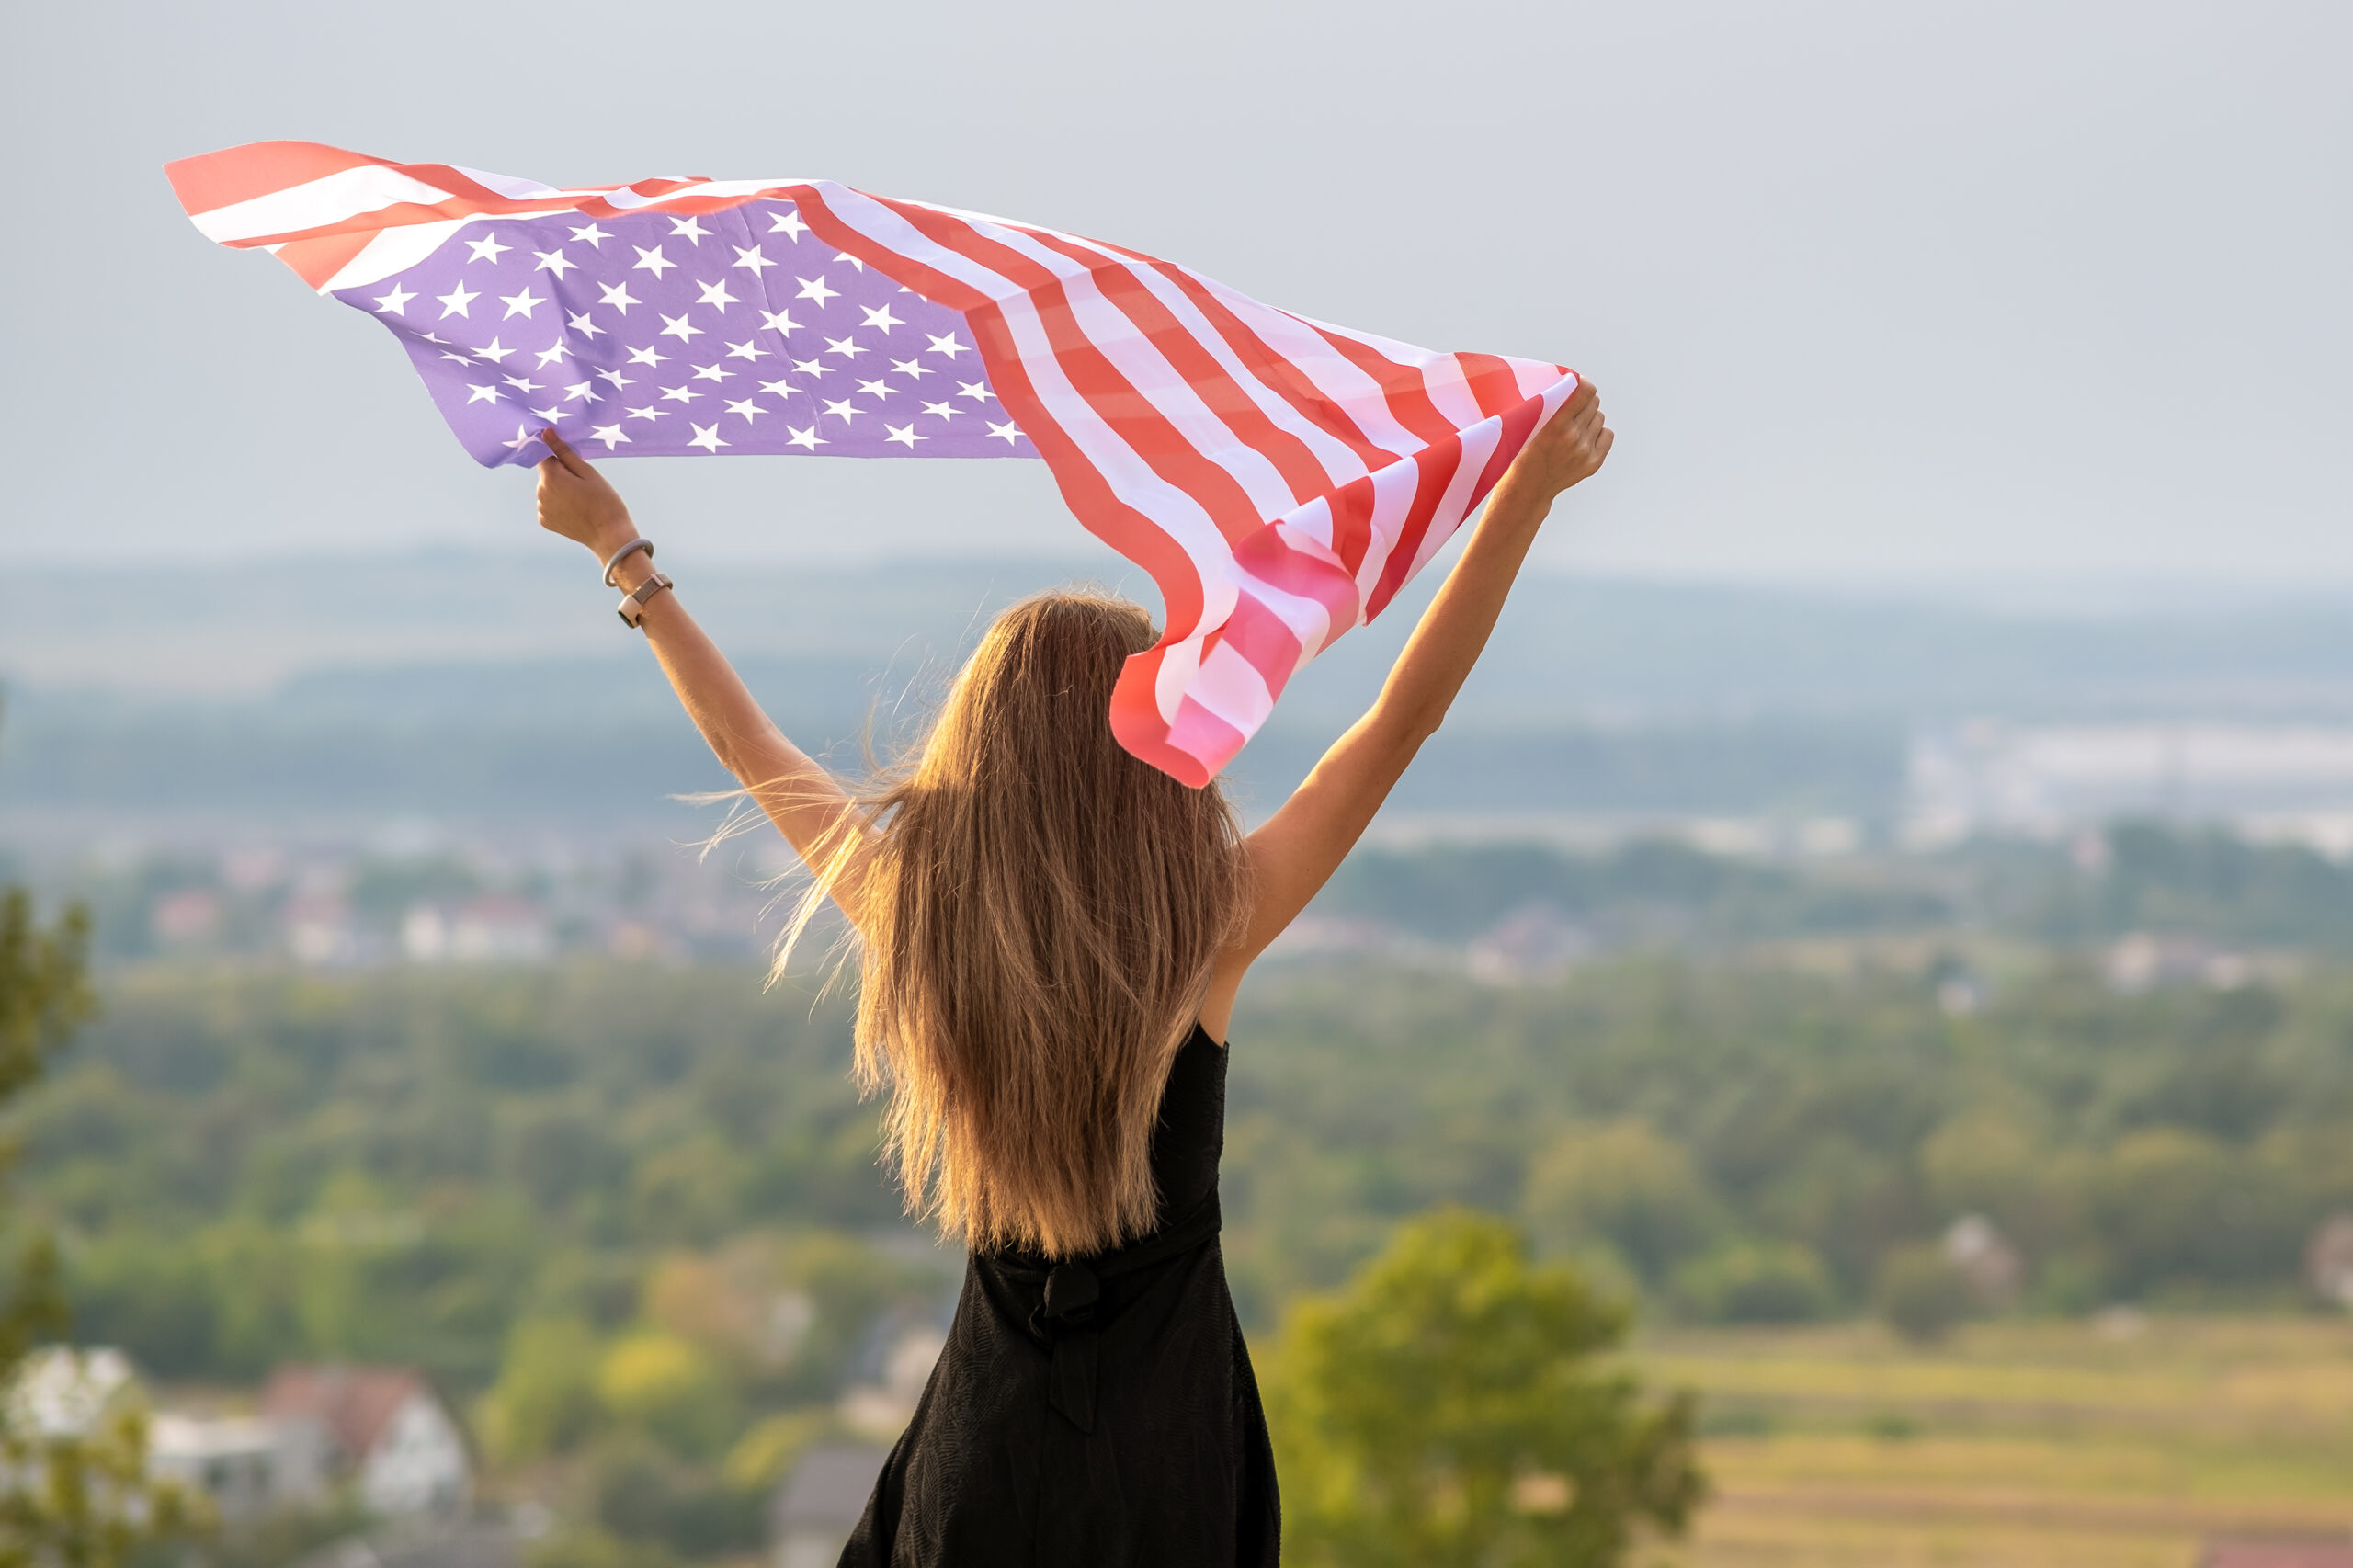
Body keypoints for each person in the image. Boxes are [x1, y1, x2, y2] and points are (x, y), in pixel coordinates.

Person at [529, 379, 1612, 1567]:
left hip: (983, 1452)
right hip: (1172, 1456)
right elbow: (1398, 723)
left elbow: (753, 750)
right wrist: (1524, 494)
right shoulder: (1209, 928)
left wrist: (618, 549)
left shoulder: (921, 914)